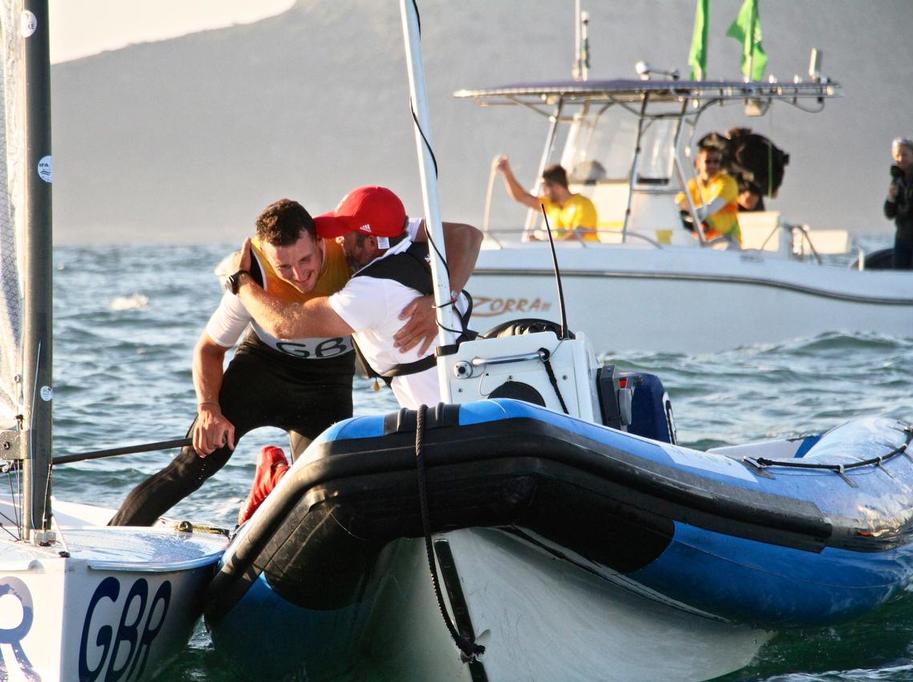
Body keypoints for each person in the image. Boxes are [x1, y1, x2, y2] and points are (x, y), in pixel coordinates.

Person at [109, 196, 481, 527]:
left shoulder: (356, 246)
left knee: (325, 494)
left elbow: (465, 236)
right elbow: (209, 348)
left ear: (322, 240)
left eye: (306, 260)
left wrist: (440, 300)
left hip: (326, 384)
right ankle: (112, 541)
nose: (299, 275)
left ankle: (274, 480)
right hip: (262, 372)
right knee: (192, 467)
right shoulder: (253, 280)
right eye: (284, 267)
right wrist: (208, 409)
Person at [234, 186, 481, 522]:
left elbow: (287, 325)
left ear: (371, 242)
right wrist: (446, 296)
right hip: (453, 408)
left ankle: (275, 477)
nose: (338, 243)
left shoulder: (370, 290)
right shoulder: (425, 257)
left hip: (448, 422)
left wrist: (244, 284)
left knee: (344, 490)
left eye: (346, 236)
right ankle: (276, 478)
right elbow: (468, 234)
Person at [493, 156, 598, 241]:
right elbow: (521, 196)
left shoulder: (583, 205)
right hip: (562, 258)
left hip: (586, 260)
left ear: (557, 187)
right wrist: (507, 173)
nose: (543, 192)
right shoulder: (549, 204)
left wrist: (544, 245)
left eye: (545, 188)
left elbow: (577, 236)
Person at [675, 145, 741, 246]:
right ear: (698, 163)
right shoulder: (692, 185)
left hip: (726, 239)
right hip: (701, 240)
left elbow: (712, 207)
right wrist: (681, 214)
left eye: (716, 162)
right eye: (708, 161)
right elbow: (678, 205)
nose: (712, 165)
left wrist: (689, 217)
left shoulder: (727, 183)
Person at [884, 137, 913, 270]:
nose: (901, 158)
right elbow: (889, 213)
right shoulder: (897, 179)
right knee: (899, 272)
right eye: (897, 155)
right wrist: (891, 197)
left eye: (904, 154)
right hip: (903, 235)